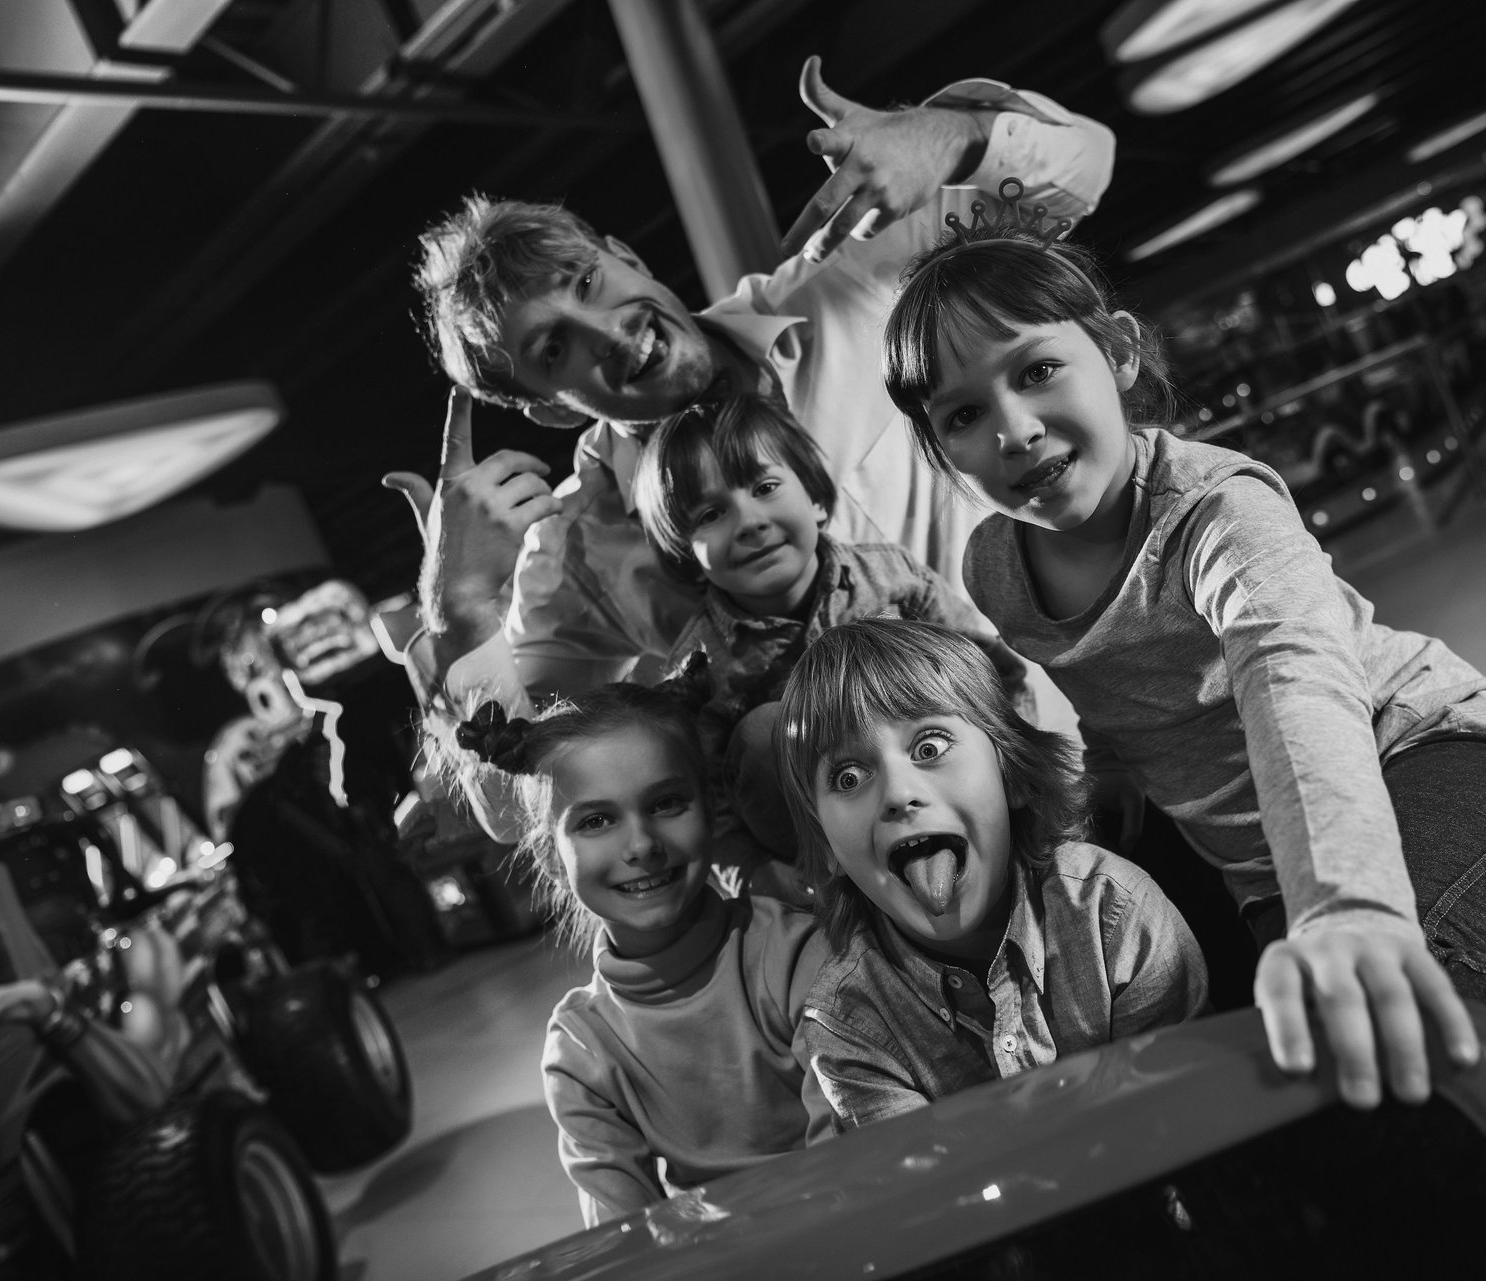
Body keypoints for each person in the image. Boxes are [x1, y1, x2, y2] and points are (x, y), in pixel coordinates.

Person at [875, 224, 1486, 1236]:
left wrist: (1348, 911)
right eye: (963, 414)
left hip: (1442, 760)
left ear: (1120, 351)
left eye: (1039, 369)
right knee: (1333, 1081)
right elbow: (1115, 711)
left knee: (1418, 975)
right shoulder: (995, 569)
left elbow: (1291, 676)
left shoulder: (1217, 513)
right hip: (1275, 878)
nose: (1013, 429)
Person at [380, 57, 1114, 840]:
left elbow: (1085, 167)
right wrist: (457, 612)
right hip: (900, 884)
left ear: (628, 256)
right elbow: (516, 806)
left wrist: (955, 136)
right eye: (555, 349)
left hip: (1097, 758)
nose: (610, 331)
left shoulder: (844, 289)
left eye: (587, 282)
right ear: (549, 413)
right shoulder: (582, 553)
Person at [772, 618, 1207, 1131]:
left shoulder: (1115, 915)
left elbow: (1187, 1122)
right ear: (827, 847)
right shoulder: (847, 1027)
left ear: (1013, 775)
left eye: (929, 748)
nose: (896, 794)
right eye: (848, 777)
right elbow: (937, 1192)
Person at [452, 679, 831, 1225]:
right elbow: (621, 1235)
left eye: (666, 803)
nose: (642, 846)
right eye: (596, 820)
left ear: (712, 811)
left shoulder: (797, 955)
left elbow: (854, 1152)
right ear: (552, 858)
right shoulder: (582, 1049)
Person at [633, 394, 1029, 853]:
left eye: (764, 488)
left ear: (817, 501)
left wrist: (1017, 771)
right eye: (711, 514)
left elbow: (986, 665)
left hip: (930, 785)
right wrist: (757, 872)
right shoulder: (699, 664)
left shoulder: (888, 577)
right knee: (764, 731)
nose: (749, 522)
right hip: (814, 847)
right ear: (689, 557)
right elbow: (703, 794)